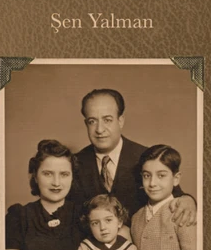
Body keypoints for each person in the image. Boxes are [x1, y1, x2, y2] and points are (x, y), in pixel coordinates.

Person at [71, 88, 196, 223]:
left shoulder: (147, 157)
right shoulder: (74, 163)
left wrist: (188, 200)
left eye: (107, 120)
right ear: (86, 124)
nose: (99, 129)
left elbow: (177, 194)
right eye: (92, 121)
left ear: (120, 121)